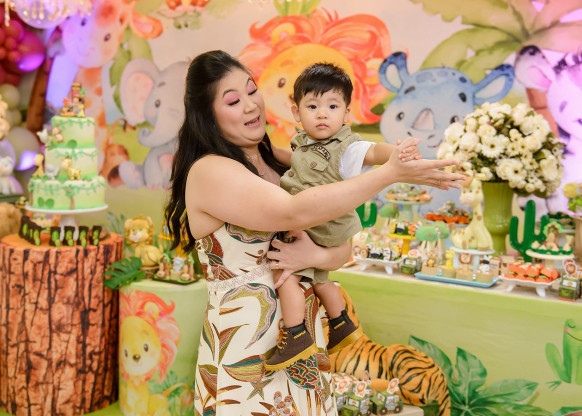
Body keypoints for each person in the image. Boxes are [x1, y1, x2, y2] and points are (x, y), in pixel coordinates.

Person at [164, 50, 464, 415]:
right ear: (207, 115)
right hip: (246, 347)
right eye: (232, 100)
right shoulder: (210, 170)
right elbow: (294, 210)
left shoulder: (278, 160)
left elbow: (341, 245)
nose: (250, 105)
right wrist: (389, 174)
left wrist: (316, 256)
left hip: (301, 342)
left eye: (251, 90)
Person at [266, 62, 422, 371]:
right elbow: (292, 160)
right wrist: (267, 151)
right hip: (319, 226)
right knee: (321, 278)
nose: (322, 114)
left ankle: (296, 334)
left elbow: (372, 151)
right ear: (297, 112)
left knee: (285, 277)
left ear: (346, 113)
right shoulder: (304, 143)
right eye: (313, 106)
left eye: (332, 106)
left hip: (322, 226)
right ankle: (341, 323)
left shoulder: (345, 148)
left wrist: (397, 154)